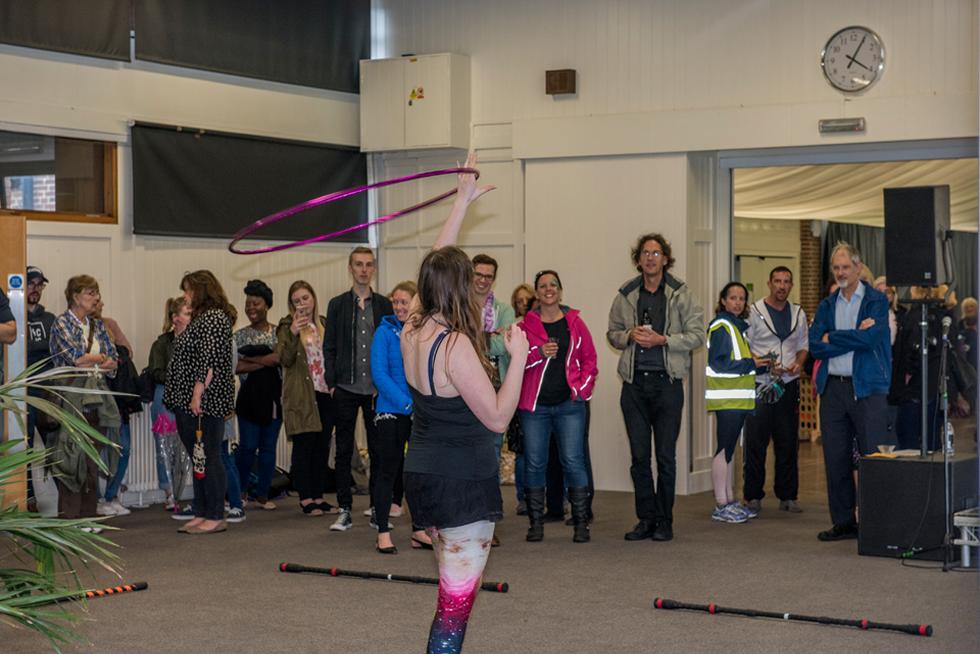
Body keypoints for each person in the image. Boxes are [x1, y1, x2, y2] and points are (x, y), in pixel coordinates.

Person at [401, 154, 528, 653]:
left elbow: (437, 255)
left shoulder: (414, 325)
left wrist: (462, 201)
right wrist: (518, 357)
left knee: (451, 594)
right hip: (460, 481)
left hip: (426, 474)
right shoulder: (453, 346)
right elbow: (497, 415)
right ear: (458, 288)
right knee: (454, 606)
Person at [608, 233, 705, 542]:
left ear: (665, 259)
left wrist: (664, 340)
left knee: (665, 456)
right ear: (639, 259)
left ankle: (665, 520)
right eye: (645, 253)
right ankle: (645, 518)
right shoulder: (626, 294)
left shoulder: (681, 293)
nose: (651, 258)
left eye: (656, 253)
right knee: (639, 457)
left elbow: (698, 335)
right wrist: (628, 336)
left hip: (668, 384)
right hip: (634, 386)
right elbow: (612, 333)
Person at [809, 242, 892, 542]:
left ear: (858, 267)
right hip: (833, 389)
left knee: (872, 458)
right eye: (836, 268)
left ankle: (875, 522)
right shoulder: (827, 304)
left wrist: (836, 337)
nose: (841, 272)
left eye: (846, 267)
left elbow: (872, 340)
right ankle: (844, 522)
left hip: (867, 389)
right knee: (835, 458)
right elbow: (815, 344)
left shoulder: (876, 301)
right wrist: (853, 336)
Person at [517, 269, 598, 543]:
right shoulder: (524, 326)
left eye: (553, 285)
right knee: (535, 464)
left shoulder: (575, 323)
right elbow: (516, 361)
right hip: (535, 408)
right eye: (542, 286)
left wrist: (582, 389)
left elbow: (590, 360)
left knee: (573, 461)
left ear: (560, 291)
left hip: (569, 405)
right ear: (536, 294)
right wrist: (538, 353)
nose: (548, 289)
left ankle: (580, 523)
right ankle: (536, 524)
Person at [323, 247, 393, 531]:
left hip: (376, 390)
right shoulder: (337, 305)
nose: (363, 269)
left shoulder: (384, 305)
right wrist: (331, 382)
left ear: (373, 269)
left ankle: (378, 508)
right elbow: (329, 346)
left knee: (378, 451)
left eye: (368, 265)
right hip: (345, 387)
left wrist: (388, 383)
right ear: (350, 268)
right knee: (343, 451)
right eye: (358, 265)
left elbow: (391, 346)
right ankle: (345, 509)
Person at [164, 270, 235, 535]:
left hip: (205, 400)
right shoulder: (200, 319)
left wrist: (197, 394)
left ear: (201, 290)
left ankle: (215, 514)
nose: (185, 296)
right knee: (198, 457)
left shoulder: (214, 318)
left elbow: (209, 360)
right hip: (188, 399)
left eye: (188, 290)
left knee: (210, 455)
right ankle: (201, 510)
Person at [48, 275, 119, 529]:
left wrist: (96, 359)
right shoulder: (61, 323)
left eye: (96, 293)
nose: (96, 298)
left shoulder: (98, 326)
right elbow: (75, 359)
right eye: (91, 293)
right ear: (76, 297)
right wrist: (100, 358)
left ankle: (89, 515)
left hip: (97, 402)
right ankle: (70, 519)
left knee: (91, 460)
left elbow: (114, 363)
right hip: (71, 401)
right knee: (70, 459)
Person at [370, 280, 431, 553]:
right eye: (395, 302)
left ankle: (419, 529)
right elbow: (380, 374)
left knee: (417, 473)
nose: (399, 306)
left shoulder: (423, 332)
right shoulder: (383, 333)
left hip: (419, 413)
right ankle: (383, 531)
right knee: (388, 470)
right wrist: (407, 404)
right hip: (392, 411)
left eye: (404, 301)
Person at [743, 266, 808, 515]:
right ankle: (753, 496)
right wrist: (764, 362)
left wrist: (799, 363)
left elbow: (803, 345)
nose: (782, 286)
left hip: (788, 385)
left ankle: (788, 495)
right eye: (777, 281)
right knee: (756, 442)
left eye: (786, 282)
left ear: (791, 285)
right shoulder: (754, 312)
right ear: (769, 283)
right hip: (761, 384)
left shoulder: (798, 313)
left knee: (788, 442)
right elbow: (745, 345)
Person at [706, 282, 767, 524]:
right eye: (733, 298)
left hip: (737, 399)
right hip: (727, 399)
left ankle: (730, 500)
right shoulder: (722, 326)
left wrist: (753, 361)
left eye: (742, 298)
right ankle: (721, 503)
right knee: (724, 449)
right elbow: (719, 364)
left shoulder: (736, 327)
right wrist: (752, 364)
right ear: (723, 300)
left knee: (730, 451)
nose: (738, 302)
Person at [277, 281, 338, 517]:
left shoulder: (323, 324)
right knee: (305, 445)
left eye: (305, 298)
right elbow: (285, 358)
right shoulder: (286, 326)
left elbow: (332, 356)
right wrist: (293, 332)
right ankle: (305, 498)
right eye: (296, 300)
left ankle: (319, 496)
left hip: (325, 393)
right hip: (302, 395)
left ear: (313, 298)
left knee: (322, 446)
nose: (302, 304)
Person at [233, 279, 283, 510]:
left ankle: (263, 494)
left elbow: (279, 359)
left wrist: (250, 359)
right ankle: (240, 491)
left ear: (267, 305)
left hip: (273, 400)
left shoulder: (278, 334)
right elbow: (236, 367)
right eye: (248, 304)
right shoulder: (239, 336)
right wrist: (265, 361)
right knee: (246, 448)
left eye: (256, 303)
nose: (251, 308)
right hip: (248, 401)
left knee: (268, 448)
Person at [94, 299, 138, 518]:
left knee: (124, 448)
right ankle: (95, 500)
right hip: (95, 397)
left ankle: (110, 495)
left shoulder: (109, 323)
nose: (99, 302)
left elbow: (127, 352)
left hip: (118, 397)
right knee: (95, 450)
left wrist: (108, 359)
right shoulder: (73, 327)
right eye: (93, 296)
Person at [147, 296, 191, 512]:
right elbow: (156, 372)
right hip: (164, 397)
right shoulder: (162, 343)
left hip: (190, 396)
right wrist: (179, 377)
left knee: (186, 446)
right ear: (176, 318)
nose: (192, 318)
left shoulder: (197, 341)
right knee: (164, 448)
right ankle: (169, 492)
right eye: (188, 313)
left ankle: (182, 487)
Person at [24, 266, 56, 512]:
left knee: (54, 447)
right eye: (30, 283)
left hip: (47, 391)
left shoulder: (50, 320)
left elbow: (57, 354)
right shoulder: (12, 318)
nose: (35, 288)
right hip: (21, 392)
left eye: (39, 284)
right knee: (23, 449)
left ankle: (67, 504)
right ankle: (28, 500)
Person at [508, 283, 534, 515]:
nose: (524, 304)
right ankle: (523, 497)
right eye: (519, 301)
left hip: (540, 395)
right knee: (522, 449)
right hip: (518, 395)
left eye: (528, 299)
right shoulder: (514, 328)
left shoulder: (541, 326)